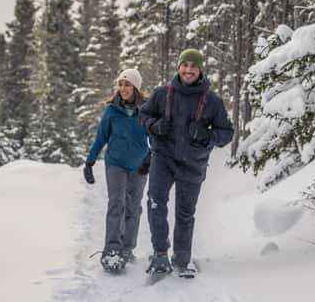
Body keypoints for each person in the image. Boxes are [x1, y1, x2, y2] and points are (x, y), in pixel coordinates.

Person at [139, 48, 234, 277]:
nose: (188, 70)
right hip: (163, 157)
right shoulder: (162, 94)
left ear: (200, 70)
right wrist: (154, 126)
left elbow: (227, 133)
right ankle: (160, 254)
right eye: (185, 65)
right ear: (178, 67)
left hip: (193, 163)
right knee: (155, 202)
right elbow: (143, 116)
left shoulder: (212, 101)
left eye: (193, 66)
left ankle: (182, 259)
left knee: (185, 212)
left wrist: (207, 135)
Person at [83, 68, 152, 273]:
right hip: (115, 163)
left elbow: (155, 136)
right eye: (120, 84)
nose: (123, 88)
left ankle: (127, 248)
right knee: (116, 204)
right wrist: (89, 162)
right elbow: (101, 138)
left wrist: (150, 157)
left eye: (127, 84)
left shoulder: (146, 110)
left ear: (136, 87)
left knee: (133, 207)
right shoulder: (111, 111)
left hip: (139, 165)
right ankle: (112, 250)